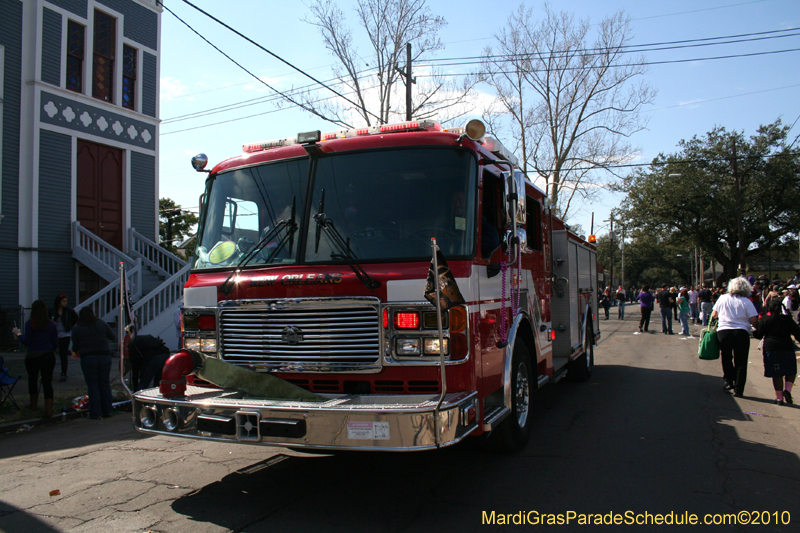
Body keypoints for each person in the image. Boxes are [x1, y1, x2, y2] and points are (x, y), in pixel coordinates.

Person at [711, 277, 759, 398]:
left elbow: (714, 315)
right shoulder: (746, 302)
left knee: (726, 357)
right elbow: (754, 319)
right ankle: (739, 389)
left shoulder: (722, 298)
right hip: (741, 331)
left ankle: (729, 380)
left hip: (724, 331)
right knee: (741, 361)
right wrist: (757, 329)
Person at [12, 300, 58, 417]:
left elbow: (27, 341)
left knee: (32, 380)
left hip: (33, 355)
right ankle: (48, 409)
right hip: (47, 354)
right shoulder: (51, 324)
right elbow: (55, 342)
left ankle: (33, 404)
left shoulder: (30, 324)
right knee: (47, 382)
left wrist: (19, 335)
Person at [71, 307, 117, 419]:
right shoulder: (102, 324)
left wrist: (76, 351)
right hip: (104, 356)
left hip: (88, 357)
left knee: (93, 386)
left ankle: (96, 413)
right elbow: (112, 337)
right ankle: (107, 410)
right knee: (104, 384)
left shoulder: (78, 328)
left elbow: (75, 346)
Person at [753, 298, 800, 405]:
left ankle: (779, 398)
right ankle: (787, 390)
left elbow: (759, 335)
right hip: (787, 347)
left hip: (771, 348)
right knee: (791, 370)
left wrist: (754, 331)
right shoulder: (787, 319)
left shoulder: (766, 319)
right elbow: (798, 333)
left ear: (769, 308)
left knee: (776, 373)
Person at [51, 292, 78, 382]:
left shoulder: (69, 311)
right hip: (55, 334)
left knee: (63, 354)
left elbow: (76, 318)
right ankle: (49, 372)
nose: (65, 303)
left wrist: (70, 326)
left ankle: (64, 373)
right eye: (63, 301)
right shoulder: (53, 310)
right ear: (59, 302)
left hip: (65, 334)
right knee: (51, 354)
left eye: (66, 301)